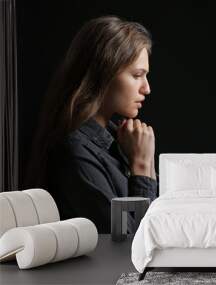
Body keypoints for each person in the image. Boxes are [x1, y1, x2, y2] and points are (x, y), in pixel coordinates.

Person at [24, 16, 157, 233]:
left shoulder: (118, 140)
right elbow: (129, 245)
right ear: (104, 74)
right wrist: (142, 166)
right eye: (137, 75)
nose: (146, 88)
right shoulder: (74, 153)